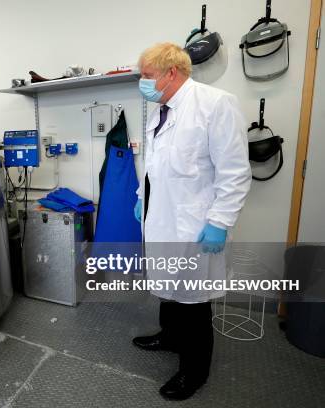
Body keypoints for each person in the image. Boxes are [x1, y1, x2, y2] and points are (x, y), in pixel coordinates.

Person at [132, 43, 251, 400]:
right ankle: (169, 337)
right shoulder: (159, 112)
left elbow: (235, 172)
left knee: (194, 300)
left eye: (147, 75)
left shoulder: (215, 104)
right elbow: (154, 166)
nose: (143, 82)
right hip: (162, 217)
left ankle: (194, 371)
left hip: (195, 224)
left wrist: (220, 221)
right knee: (169, 286)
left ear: (172, 72)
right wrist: (142, 199)